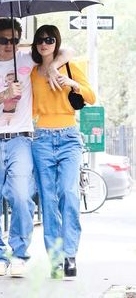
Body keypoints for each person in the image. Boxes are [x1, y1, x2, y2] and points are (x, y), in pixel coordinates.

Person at [0, 18, 69, 277]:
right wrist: (4, 94)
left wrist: (55, 68)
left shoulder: (28, 60)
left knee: (23, 196)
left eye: (14, 40)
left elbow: (67, 51)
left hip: (21, 139)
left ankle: (19, 254)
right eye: (3, 40)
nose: (9, 45)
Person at [31, 24, 96, 280]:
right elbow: (31, 107)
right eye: (39, 40)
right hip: (42, 138)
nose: (44, 44)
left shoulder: (71, 66)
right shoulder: (34, 73)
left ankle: (70, 254)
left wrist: (72, 83)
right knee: (48, 199)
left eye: (49, 40)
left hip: (69, 137)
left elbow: (91, 97)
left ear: (56, 42)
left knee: (68, 194)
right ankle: (55, 260)